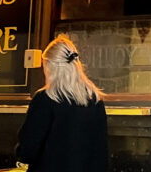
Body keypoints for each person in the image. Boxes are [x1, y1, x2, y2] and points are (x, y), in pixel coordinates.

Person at [16, 35, 108, 172]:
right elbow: (101, 150)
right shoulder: (94, 99)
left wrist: (21, 157)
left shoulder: (45, 99)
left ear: (50, 66)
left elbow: (29, 147)